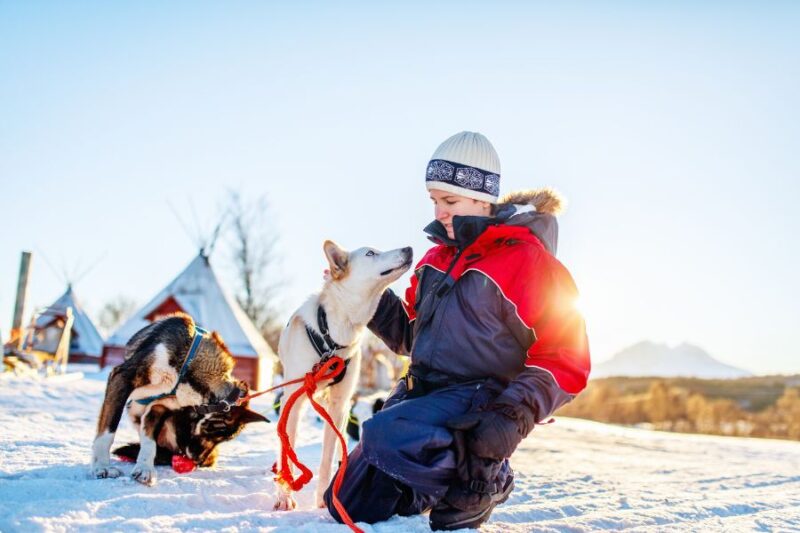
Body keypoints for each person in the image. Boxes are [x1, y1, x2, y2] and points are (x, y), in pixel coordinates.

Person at [324, 131, 590, 530]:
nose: (439, 211)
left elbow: (567, 357)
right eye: (434, 200)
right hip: (423, 394)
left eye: (449, 201)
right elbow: (412, 337)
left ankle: (486, 476)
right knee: (345, 499)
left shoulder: (527, 261)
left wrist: (512, 415)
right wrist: (365, 295)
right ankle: (428, 490)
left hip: (481, 400)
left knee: (383, 433)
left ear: (483, 198)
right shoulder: (435, 258)